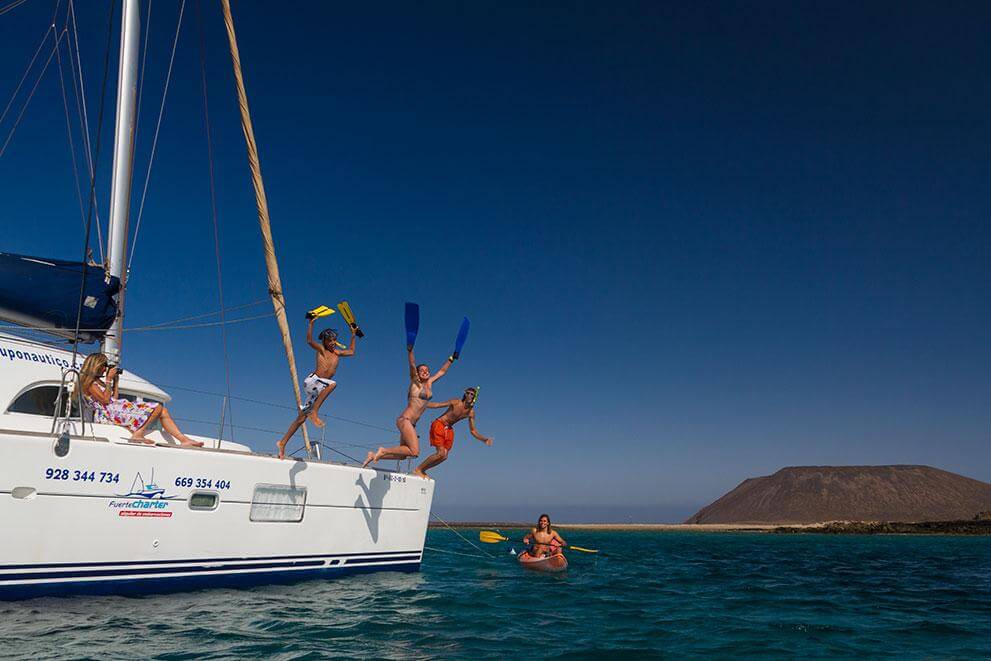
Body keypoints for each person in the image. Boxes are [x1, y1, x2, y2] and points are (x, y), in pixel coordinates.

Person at [79, 352, 203, 447]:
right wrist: (108, 380)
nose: (105, 369)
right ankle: (138, 434)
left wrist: (115, 382)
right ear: (96, 366)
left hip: (114, 410)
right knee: (157, 407)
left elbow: (113, 399)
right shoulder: (90, 383)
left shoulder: (99, 382)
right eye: (103, 366)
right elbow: (105, 401)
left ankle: (183, 440)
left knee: (163, 411)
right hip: (107, 415)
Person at [277, 318, 357, 459]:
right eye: (330, 341)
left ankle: (282, 443)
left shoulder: (337, 353)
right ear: (324, 342)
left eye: (334, 340)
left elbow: (351, 352)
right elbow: (309, 341)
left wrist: (353, 335)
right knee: (333, 384)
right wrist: (311, 324)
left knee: (301, 419)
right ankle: (314, 412)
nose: (332, 343)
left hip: (319, 389)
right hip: (313, 382)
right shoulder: (321, 350)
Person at [362, 345, 454, 468]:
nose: (425, 372)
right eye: (422, 370)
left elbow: (442, 371)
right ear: (417, 373)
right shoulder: (415, 382)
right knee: (415, 452)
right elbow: (412, 364)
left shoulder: (430, 383)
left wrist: (452, 358)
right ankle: (383, 450)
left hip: (411, 424)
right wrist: (410, 351)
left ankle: (373, 455)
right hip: (405, 420)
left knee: (402, 455)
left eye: (427, 370)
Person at [411, 386, 492, 479]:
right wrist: (422, 404)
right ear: (465, 394)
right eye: (468, 393)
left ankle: (423, 470)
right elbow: (438, 405)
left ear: (474, 397)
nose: (469, 395)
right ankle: (418, 469)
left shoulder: (471, 413)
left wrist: (484, 439)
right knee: (440, 453)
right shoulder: (456, 402)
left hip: (449, 429)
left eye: (472, 394)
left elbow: (473, 431)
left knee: (444, 456)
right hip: (439, 424)